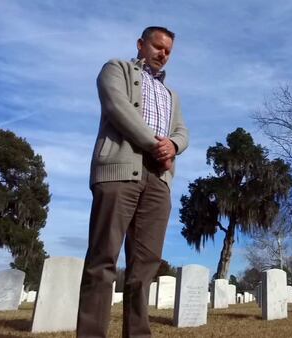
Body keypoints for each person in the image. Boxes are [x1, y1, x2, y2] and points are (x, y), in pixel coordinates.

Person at [77, 26, 189, 338]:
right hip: (119, 171)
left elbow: (181, 130)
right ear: (141, 44)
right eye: (157, 46)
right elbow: (117, 108)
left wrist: (174, 146)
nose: (163, 54)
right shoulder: (116, 69)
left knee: (145, 266)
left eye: (168, 51)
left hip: (158, 180)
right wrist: (156, 145)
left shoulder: (171, 94)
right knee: (103, 259)